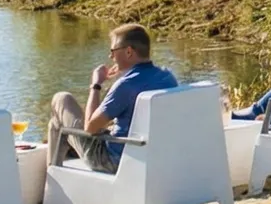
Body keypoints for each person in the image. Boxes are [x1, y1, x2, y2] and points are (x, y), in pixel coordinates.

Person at [49, 24, 177, 171]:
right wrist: (122, 76)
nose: (111, 57)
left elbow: (90, 128)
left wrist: (96, 84)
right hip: (151, 155)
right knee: (59, 124)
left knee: (61, 100)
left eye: (113, 51)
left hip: (113, 160)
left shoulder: (126, 85)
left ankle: (51, 176)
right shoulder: (167, 77)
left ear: (128, 52)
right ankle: (59, 162)